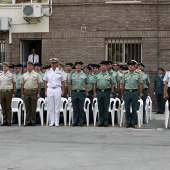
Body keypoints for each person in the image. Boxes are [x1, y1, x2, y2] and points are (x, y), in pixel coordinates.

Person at [43, 58, 66, 127]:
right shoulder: (47, 72)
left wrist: (63, 90)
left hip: (57, 89)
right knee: (51, 106)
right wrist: (46, 91)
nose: (53, 64)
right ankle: (52, 121)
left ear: (57, 64)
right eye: (52, 63)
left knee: (57, 106)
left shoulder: (60, 71)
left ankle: (56, 121)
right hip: (50, 89)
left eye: (54, 63)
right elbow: (46, 81)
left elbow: (63, 81)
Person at [93, 60, 116, 127]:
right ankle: (101, 121)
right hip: (99, 92)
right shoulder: (97, 75)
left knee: (106, 107)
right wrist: (94, 92)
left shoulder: (110, 74)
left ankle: (106, 121)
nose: (103, 67)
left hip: (107, 92)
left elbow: (112, 84)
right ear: (100, 66)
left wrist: (112, 92)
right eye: (102, 65)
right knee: (100, 107)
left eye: (105, 65)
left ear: (106, 67)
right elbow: (94, 84)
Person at [121, 61, 143, 128]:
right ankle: (128, 122)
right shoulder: (125, 75)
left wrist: (140, 93)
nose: (130, 67)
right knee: (127, 108)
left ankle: (133, 122)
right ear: (128, 67)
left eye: (132, 66)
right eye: (129, 66)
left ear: (134, 67)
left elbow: (140, 84)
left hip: (134, 92)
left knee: (134, 108)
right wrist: (122, 94)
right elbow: (123, 85)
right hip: (127, 92)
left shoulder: (138, 74)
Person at [21, 61, 42, 126]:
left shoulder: (36, 74)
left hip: (34, 92)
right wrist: (22, 93)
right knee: (27, 108)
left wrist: (38, 93)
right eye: (27, 66)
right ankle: (27, 121)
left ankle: (33, 121)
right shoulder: (24, 75)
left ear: (33, 66)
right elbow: (22, 84)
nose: (29, 67)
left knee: (33, 107)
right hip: (26, 92)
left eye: (30, 65)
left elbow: (39, 84)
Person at [68, 61, 89, 126]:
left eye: (79, 65)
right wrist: (70, 93)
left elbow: (87, 83)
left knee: (81, 108)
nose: (78, 67)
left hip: (82, 92)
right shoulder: (72, 74)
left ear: (81, 66)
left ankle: (81, 121)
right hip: (74, 92)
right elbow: (70, 84)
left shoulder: (85, 74)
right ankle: (75, 121)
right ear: (75, 66)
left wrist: (87, 91)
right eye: (77, 65)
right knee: (75, 108)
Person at [0, 62, 16, 126]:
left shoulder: (11, 75)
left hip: (8, 91)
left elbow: (14, 83)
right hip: (1, 91)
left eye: (5, 66)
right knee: (3, 107)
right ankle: (4, 121)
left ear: (8, 67)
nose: (4, 67)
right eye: (3, 66)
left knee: (8, 107)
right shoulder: (1, 74)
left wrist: (14, 92)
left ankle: (9, 121)